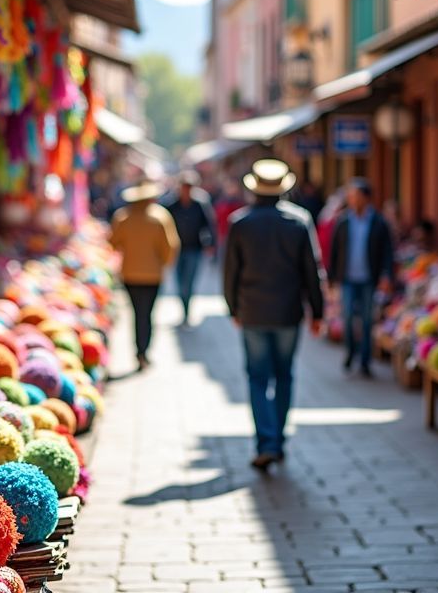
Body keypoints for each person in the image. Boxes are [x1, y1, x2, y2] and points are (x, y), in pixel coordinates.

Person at [223, 160, 324, 470]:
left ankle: (266, 441)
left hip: (252, 311)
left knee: (257, 378)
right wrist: (317, 311)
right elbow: (312, 270)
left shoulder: (241, 223)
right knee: (284, 375)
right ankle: (277, 440)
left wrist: (233, 308)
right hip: (288, 312)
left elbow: (230, 273)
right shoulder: (299, 221)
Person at [327, 178, 396, 377]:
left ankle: (365, 360)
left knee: (367, 320)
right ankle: (350, 352)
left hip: (368, 278)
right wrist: (331, 280)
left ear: (366, 198)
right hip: (347, 278)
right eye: (350, 196)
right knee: (348, 318)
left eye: (356, 196)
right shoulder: (343, 221)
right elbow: (335, 251)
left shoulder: (378, 222)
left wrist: (386, 276)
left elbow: (387, 252)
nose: (352, 200)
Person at [109, 181, 179, 371]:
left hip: (130, 274)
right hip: (153, 274)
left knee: (136, 312)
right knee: (147, 313)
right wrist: (162, 264)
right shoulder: (160, 217)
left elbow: (113, 242)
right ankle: (144, 351)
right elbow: (170, 247)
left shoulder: (123, 217)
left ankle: (139, 351)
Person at [163, 171, 215, 327]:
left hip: (194, 249)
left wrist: (211, 244)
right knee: (179, 283)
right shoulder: (171, 205)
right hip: (177, 249)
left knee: (188, 283)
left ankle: (187, 312)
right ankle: (183, 310)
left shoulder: (200, 205)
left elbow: (209, 225)